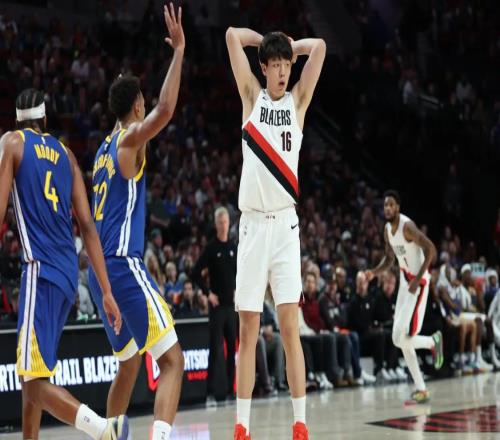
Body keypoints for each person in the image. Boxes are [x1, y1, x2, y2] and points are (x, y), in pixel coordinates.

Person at [0, 88, 125, 439]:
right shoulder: (66, 155)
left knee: (33, 384)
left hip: (39, 270)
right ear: (45, 119)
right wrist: (106, 291)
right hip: (68, 275)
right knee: (34, 374)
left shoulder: (12, 142)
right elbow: (87, 226)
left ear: (17, 122)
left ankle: (104, 429)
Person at [88, 4, 185, 440]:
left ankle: (110, 437)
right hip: (123, 266)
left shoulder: (100, 153)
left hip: (98, 274)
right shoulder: (129, 140)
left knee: (128, 363)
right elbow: (166, 109)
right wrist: (178, 52)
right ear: (137, 104)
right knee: (172, 361)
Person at [226, 24, 326, 440]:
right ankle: (242, 427)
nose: (284, 71)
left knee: (289, 329)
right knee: (248, 331)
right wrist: (267, 41)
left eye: (288, 64)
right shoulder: (251, 96)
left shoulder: (298, 101)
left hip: (285, 227)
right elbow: (232, 36)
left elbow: (320, 47)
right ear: (264, 67)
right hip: (252, 226)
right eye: (277, 64)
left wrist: (290, 46)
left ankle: (300, 424)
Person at [366, 190, 443, 405]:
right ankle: (421, 389)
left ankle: (433, 342)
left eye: (391, 204)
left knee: (401, 337)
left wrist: (417, 279)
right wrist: (374, 272)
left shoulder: (407, 227)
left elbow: (431, 249)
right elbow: (390, 258)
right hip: (404, 280)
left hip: (418, 284)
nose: (387, 208)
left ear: (398, 207)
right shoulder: (387, 230)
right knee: (400, 338)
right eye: (385, 205)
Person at [192, 206, 237, 402]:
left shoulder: (233, 247)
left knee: (232, 349)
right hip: (217, 307)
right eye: (220, 222)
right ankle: (210, 392)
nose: (223, 225)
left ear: (229, 223)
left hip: (231, 306)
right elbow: (195, 273)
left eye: (225, 222)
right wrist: (208, 293)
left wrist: (238, 290)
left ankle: (231, 391)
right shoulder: (211, 248)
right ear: (216, 224)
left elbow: (240, 273)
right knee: (215, 348)